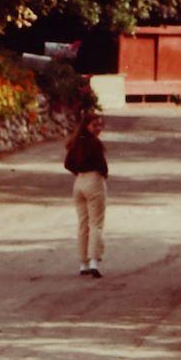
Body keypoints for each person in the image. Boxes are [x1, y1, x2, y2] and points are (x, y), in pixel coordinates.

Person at [65, 97, 111, 276]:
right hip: (94, 181)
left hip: (79, 183)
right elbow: (102, 166)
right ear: (87, 126)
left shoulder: (75, 142)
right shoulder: (95, 143)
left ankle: (82, 263)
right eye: (95, 125)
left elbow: (68, 163)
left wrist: (79, 172)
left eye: (100, 125)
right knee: (96, 223)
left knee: (83, 224)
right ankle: (94, 261)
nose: (98, 128)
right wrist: (102, 175)